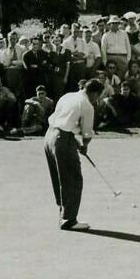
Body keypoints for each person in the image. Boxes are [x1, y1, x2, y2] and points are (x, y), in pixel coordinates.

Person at [44, 78, 105, 231]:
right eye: (97, 96)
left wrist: (74, 142)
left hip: (49, 136)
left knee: (59, 177)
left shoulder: (68, 96)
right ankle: (69, 220)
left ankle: (63, 213)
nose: (97, 99)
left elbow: (64, 122)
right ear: (95, 93)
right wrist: (84, 146)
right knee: (73, 178)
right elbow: (87, 134)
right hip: (62, 140)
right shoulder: (87, 105)